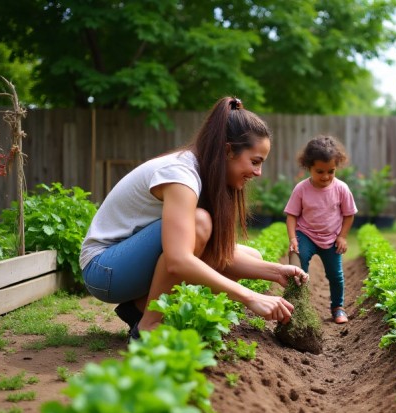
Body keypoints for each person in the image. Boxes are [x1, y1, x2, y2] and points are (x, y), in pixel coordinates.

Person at [80, 97, 308, 339]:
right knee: (199, 223)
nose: (258, 172)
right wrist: (251, 297)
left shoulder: (202, 173)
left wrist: (276, 272)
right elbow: (178, 260)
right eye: (255, 162)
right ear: (228, 150)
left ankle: (137, 308)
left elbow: (215, 254)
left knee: (253, 257)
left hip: (126, 263)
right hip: (104, 268)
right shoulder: (181, 175)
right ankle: (148, 326)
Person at [284, 135, 358, 324]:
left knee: (336, 275)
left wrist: (342, 236)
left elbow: (349, 214)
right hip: (306, 234)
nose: (325, 176)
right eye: (320, 171)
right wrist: (293, 238)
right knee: (299, 268)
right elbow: (292, 215)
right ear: (308, 166)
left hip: (331, 238)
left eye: (330, 171)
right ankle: (299, 306)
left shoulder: (341, 188)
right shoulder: (301, 189)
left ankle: (338, 308)